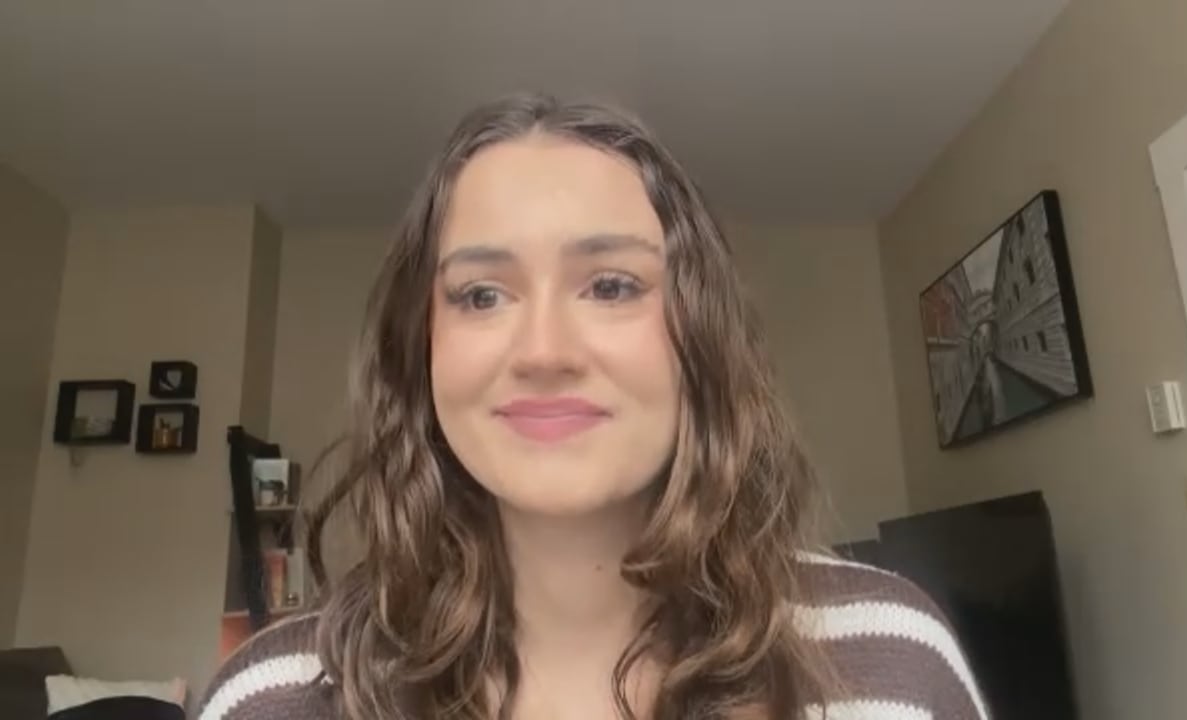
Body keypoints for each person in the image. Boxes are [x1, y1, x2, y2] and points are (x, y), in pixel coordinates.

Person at [199, 94, 986, 720]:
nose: (544, 351)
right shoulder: (273, 698)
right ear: (421, 352)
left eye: (611, 285)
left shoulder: (890, 658)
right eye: (481, 294)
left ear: (697, 338)